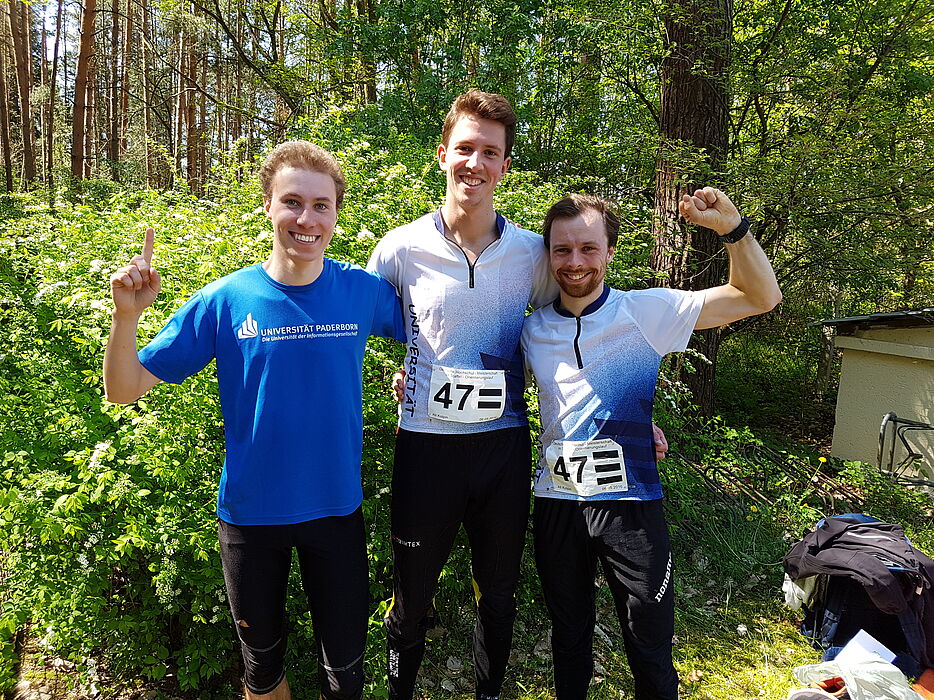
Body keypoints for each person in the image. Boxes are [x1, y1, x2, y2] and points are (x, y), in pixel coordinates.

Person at [103, 141, 405, 700]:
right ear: (267, 206)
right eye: (292, 202)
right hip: (250, 518)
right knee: (261, 673)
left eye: (321, 205)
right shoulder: (225, 299)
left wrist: (418, 376)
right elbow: (123, 390)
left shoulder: (363, 293)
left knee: (346, 675)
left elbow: (437, 335)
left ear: (336, 213)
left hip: (337, 512)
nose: (306, 219)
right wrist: (127, 317)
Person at [521, 190, 781, 699]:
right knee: (569, 640)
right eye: (562, 250)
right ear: (548, 256)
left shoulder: (646, 310)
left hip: (631, 509)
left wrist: (733, 230)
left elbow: (759, 297)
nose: (575, 262)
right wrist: (406, 380)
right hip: (557, 504)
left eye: (588, 248)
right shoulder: (531, 329)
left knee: (649, 645)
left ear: (610, 251)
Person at [366, 90, 557, 700]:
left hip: (502, 447)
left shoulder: (532, 253)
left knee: (498, 592)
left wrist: (628, 421)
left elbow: (567, 334)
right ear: (443, 154)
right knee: (412, 593)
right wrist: (404, 369)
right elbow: (367, 326)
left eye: (490, 152)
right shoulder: (401, 247)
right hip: (426, 448)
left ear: (504, 166)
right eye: (466, 148)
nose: (475, 163)